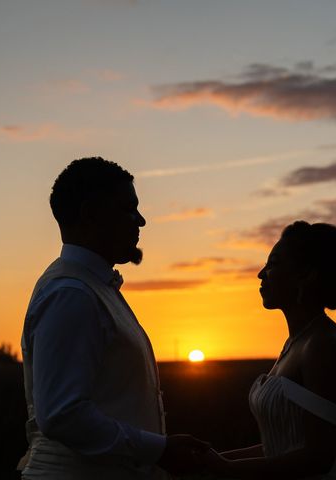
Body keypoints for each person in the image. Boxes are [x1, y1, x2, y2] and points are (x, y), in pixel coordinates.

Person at [17, 157, 208, 479]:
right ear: (90, 214)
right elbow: (62, 415)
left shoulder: (91, 288)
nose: (141, 221)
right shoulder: (72, 294)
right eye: (128, 209)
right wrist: (158, 449)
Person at [200, 221, 336, 479]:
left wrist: (226, 469)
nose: (261, 273)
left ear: (306, 275)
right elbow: (281, 448)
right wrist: (212, 460)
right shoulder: (298, 342)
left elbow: (317, 458)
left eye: (273, 264)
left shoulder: (324, 346)